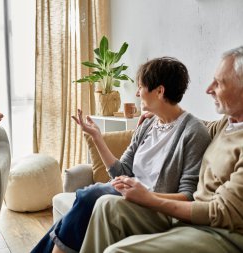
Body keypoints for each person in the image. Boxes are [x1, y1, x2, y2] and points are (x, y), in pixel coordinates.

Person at [31, 57, 211, 253]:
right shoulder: (149, 125)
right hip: (129, 195)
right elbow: (121, 171)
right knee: (86, 199)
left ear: (159, 91)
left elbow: (188, 197)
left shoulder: (194, 132)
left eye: (141, 87)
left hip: (156, 208)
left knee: (89, 196)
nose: (137, 92)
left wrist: (146, 196)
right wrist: (97, 137)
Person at [80, 46, 243, 253]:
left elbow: (220, 211)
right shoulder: (227, 124)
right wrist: (162, 114)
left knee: (114, 247)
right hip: (190, 219)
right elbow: (194, 124)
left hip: (220, 231)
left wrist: (150, 199)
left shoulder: (216, 132)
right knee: (105, 205)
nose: (208, 89)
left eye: (219, 83)